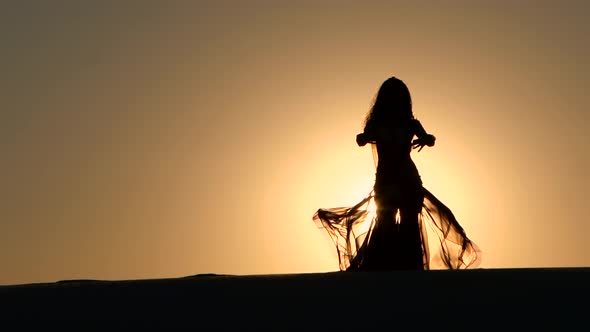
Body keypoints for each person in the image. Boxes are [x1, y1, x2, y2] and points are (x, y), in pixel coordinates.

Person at [313, 76, 481, 271]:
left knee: (392, 225)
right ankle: (404, 269)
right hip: (397, 182)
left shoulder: (394, 124)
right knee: (399, 226)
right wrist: (425, 139)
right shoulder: (397, 124)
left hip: (397, 182)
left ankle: (393, 270)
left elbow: (427, 139)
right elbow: (365, 139)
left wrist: (425, 139)